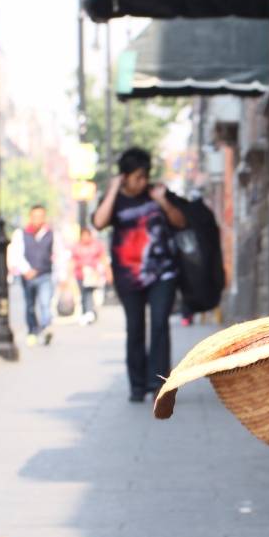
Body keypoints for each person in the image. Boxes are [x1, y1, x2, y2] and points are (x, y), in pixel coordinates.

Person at [91, 147, 186, 402]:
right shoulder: (115, 199)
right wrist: (112, 190)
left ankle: (159, 385)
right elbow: (99, 223)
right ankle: (137, 385)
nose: (142, 182)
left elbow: (180, 222)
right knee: (135, 328)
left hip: (163, 273)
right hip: (128, 276)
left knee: (159, 325)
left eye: (145, 176)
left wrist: (163, 201)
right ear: (124, 177)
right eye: (136, 177)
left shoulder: (156, 193)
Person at [7, 205, 57, 347]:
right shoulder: (21, 234)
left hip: (45, 274)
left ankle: (46, 327)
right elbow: (16, 254)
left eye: (41, 217)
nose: (38, 220)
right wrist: (27, 270)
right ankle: (32, 331)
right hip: (27, 276)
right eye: (35, 217)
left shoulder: (50, 234)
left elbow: (57, 254)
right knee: (30, 305)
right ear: (30, 217)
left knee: (45, 303)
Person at [70, 226, 109, 324]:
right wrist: (69, 274)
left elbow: (103, 257)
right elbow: (72, 260)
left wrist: (107, 272)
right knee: (83, 294)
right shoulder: (76, 246)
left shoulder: (96, 245)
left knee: (89, 293)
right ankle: (86, 312)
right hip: (80, 275)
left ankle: (89, 312)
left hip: (93, 275)